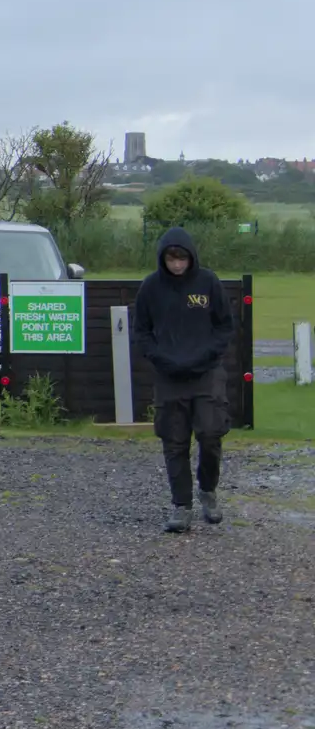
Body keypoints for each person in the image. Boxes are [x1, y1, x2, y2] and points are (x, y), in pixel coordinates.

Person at [131, 227, 236, 533]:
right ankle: (182, 506)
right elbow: (142, 331)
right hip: (169, 376)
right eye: (171, 259)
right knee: (174, 442)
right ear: (162, 259)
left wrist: (205, 357)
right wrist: (161, 359)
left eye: (182, 258)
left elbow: (225, 327)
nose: (177, 264)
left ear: (191, 257)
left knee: (210, 434)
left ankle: (208, 490)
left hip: (206, 373)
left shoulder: (208, 283)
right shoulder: (150, 288)